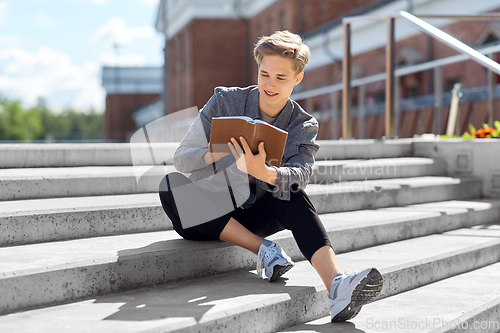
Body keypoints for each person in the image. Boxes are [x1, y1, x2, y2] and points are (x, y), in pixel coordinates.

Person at [158, 30, 383, 322]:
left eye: (281, 78)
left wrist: (265, 172)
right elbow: (182, 157)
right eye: (265, 74)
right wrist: (219, 152)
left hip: (256, 212)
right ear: (258, 68)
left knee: (292, 191)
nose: (270, 84)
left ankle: (337, 285)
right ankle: (263, 249)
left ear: (297, 78)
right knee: (170, 186)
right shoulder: (225, 101)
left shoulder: (303, 124)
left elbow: (301, 173)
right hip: (204, 215)